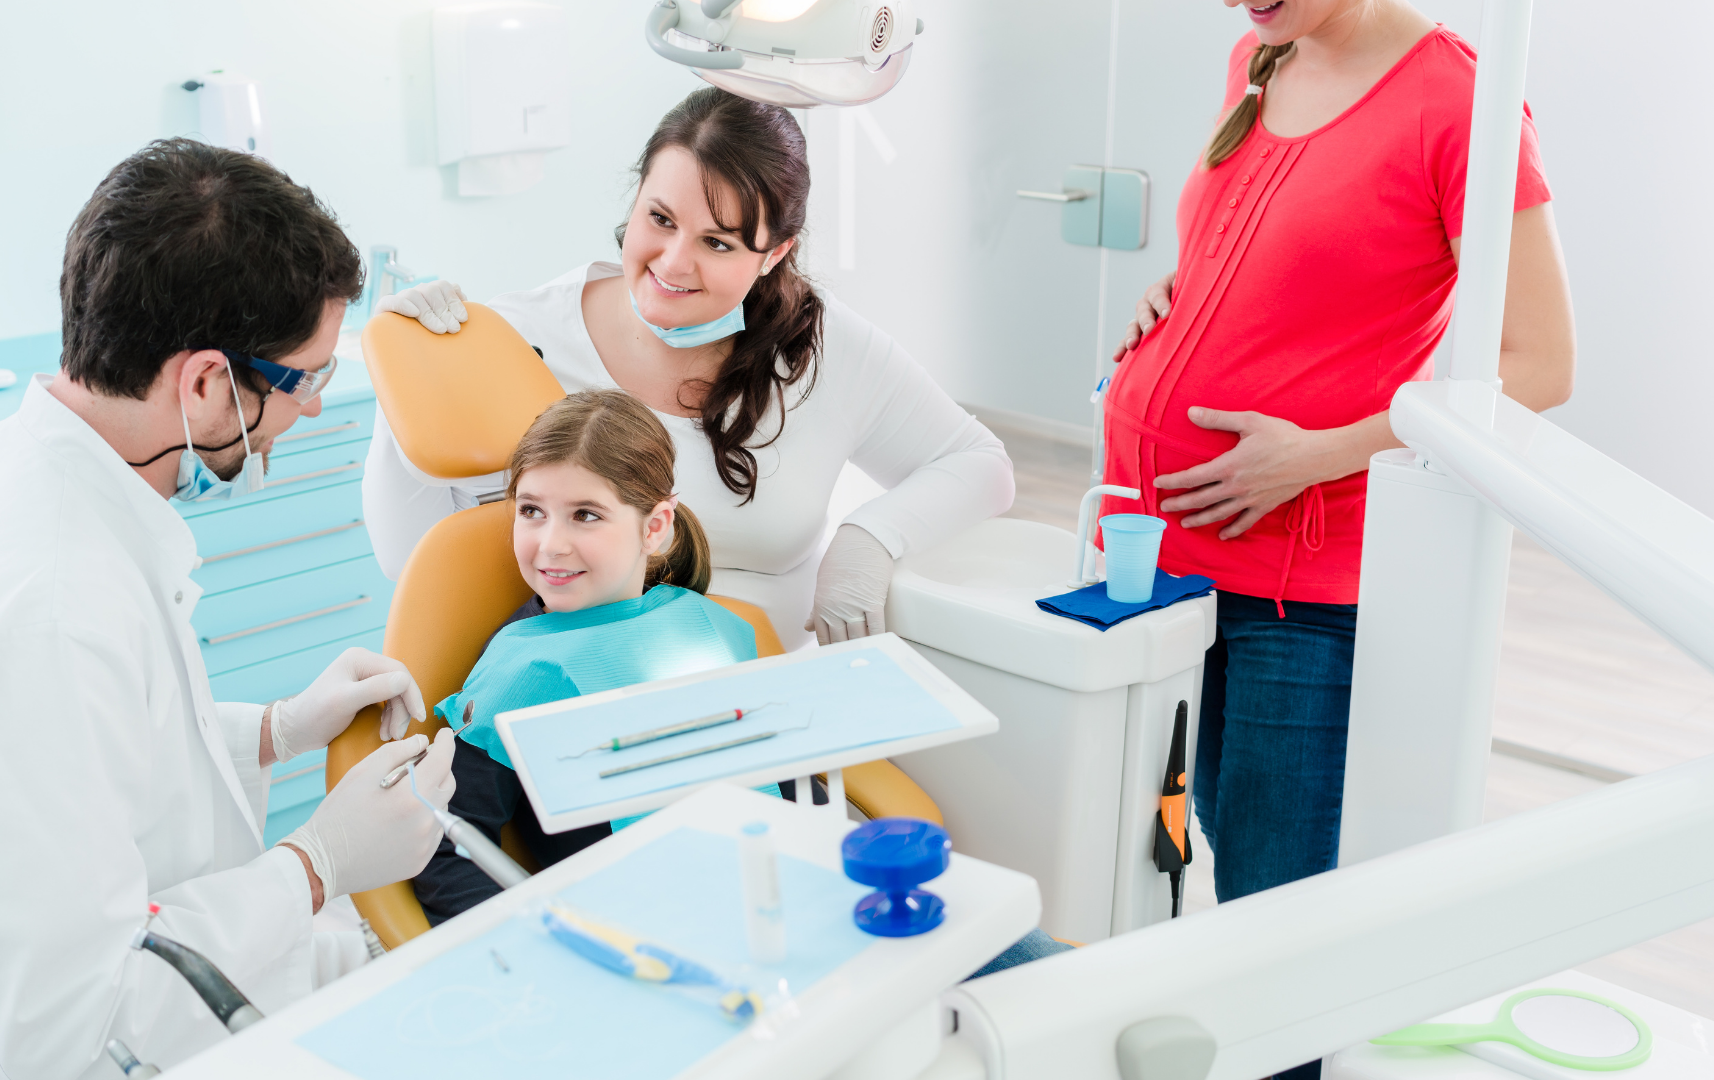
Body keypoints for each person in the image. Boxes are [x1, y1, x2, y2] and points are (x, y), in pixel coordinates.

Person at [0, 139, 459, 1080]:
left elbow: (80, 762)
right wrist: (317, 863)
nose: (318, 411)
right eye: (307, 379)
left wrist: (274, 732)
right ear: (207, 382)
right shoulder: (42, 615)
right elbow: (68, 1039)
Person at [1103, 2, 1574, 1071]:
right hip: (1162, 549)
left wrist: (1310, 455)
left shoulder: (1458, 100)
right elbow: (1264, 261)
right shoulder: (1264, 47)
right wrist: (1174, 302)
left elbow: (1541, 364)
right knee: (1209, 859)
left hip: (1297, 583)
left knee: (1277, 917)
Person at [364, 87, 1014, 652]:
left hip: (754, 712)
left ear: (775, 252)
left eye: (718, 242)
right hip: (572, 701)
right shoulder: (518, 339)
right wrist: (403, 384)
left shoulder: (818, 342)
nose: (674, 263)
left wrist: (870, 539)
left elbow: (978, 463)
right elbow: (407, 559)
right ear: (636, 197)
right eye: (660, 219)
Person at [412, 389, 787, 924]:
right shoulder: (521, 670)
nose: (551, 544)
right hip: (639, 938)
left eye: (585, 515)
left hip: (767, 889)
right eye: (531, 511)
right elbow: (449, 846)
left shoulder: (707, 624)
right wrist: (533, 956)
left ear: (654, 527)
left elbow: (772, 769)